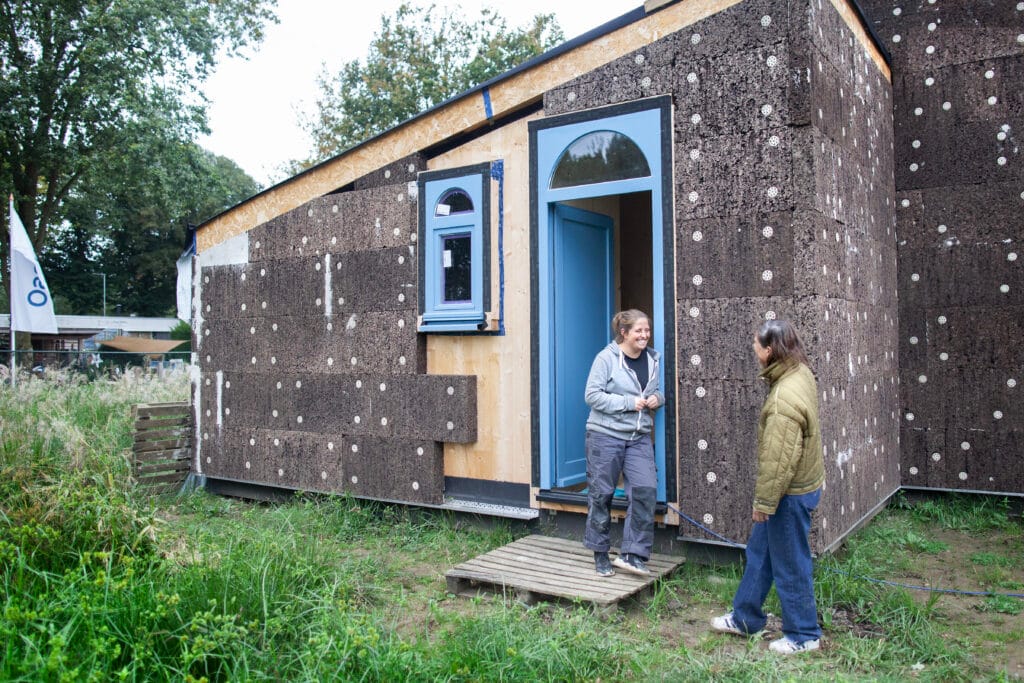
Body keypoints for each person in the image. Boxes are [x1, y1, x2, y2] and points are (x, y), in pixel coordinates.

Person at [711, 319, 825, 654]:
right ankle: (746, 618)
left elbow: (778, 462)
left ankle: (804, 636)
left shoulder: (782, 401)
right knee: (760, 553)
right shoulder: (800, 371)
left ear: (770, 350)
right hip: (802, 484)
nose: (753, 350)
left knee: (791, 564)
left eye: (756, 345)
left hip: (787, 495)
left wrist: (764, 503)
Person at [583, 309, 664, 577]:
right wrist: (627, 403)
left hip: (638, 437)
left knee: (645, 490)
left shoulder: (653, 359)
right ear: (624, 333)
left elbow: (655, 391)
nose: (645, 336)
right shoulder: (606, 359)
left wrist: (657, 399)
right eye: (639, 331)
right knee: (601, 494)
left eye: (647, 331)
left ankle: (633, 554)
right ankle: (600, 553)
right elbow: (592, 396)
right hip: (605, 435)